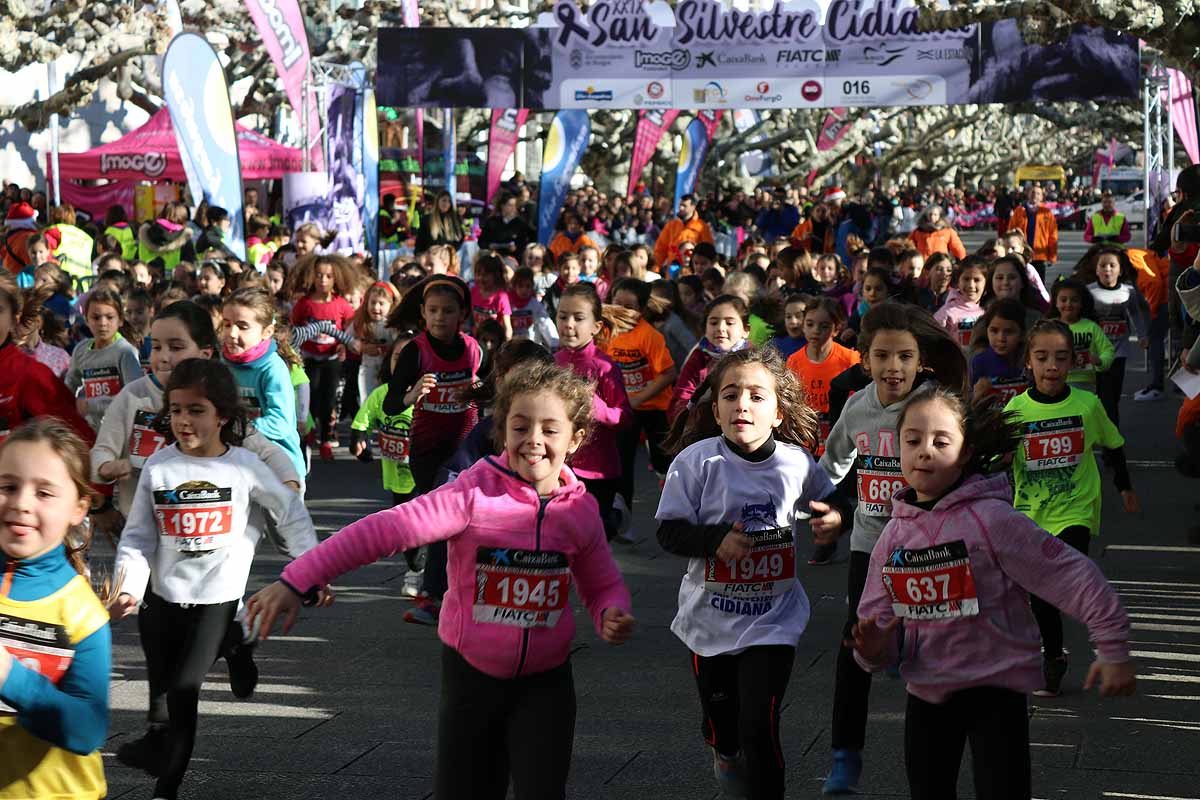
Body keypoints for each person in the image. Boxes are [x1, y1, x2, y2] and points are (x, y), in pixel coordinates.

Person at [245, 361, 635, 800]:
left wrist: (610, 610)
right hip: (473, 680)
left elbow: (602, 580)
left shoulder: (578, 510)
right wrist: (297, 579)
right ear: (501, 429)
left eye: (550, 429)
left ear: (576, 438)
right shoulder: (471, 495)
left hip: (547, 683)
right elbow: (383, 530)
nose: (534, 441)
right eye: (520, 426)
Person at [850, 389, 1135, 800]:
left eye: (941, 442)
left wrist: (1113, 647)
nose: (924, 452)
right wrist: (875, 649)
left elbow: (1071, 574)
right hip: (928, 693)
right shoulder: (894, 535)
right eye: (912, 440)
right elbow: (876, 624)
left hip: (995, 691)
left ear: (966, 453)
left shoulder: (992, 519)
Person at [110, 358, 327, 800]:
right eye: (175, 410)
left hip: (217, 599)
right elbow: (137, 535)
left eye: (196, 410)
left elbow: (288, 511)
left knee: (184, 691)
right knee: (163, 696)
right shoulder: (159, 467)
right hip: (162, 599)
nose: (183, 421)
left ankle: (165, 790)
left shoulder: (244, 466)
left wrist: (311, 569)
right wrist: (129, 586)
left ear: (222, 416)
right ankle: (237, 643)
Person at [657, 347, 847, 800]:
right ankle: (724, 753)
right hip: (710, 620)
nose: (742, 403)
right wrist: (713, 540)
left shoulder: (796, 463)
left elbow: (834, 500)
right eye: (730, 395)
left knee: (759, 726)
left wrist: (835, 519)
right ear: (716, 410)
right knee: (724, 727)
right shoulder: (698, 462)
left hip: (773, 620)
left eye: (756, 396)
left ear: (778, 413)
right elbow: (667, 532)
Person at [816, 303, 967, 794]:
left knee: (938, 651)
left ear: (921, 360)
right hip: (868, 540)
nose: (893, 367)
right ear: (864, 360)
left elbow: (961, 462)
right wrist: (811, 505)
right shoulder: (857, 406)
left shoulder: (933, 404)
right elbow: (832, 466)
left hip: (927, 540)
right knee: (852, 641)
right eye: (882, 355)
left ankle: (937, 765)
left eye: (904, 356)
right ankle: (844, 755)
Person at [1003, 319, 1138, 696]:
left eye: (1060, 358)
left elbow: (1113, 444)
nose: (1051, 366)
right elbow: (994, 460)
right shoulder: (1015, 411)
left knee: (1055, 583)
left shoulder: (1087, 404)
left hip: (1075, 511)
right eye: (1042, 357)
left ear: (1072, 362)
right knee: (1040, 595)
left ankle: (1096, 638)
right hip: (1029, 516)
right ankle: (1053, 655)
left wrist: (1124, 485)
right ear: (1028, 361)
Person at [0, 419, 113, 800]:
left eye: (44, 492)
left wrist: (9, 678)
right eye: (8, 487)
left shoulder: (83, 614)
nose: (20, 503)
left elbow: (87, 731)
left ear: (79, 508)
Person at [554, 283, 632, 540]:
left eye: (578, 318)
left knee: (592, 537)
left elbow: (624, 418)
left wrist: (597, 408)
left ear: (596, 327)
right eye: (563, 316)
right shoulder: (555, 362)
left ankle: (614, 519)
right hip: (562, 464)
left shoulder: (604, 367)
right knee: (564, 532)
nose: (569, 324)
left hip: (599, 469)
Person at [604, 278, 678, 503]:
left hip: (654, 407)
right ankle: (623, 516)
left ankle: (675, 506)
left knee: (663, 462)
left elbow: (668, 373)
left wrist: (637, 399)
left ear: (642, 309)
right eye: (617, 303)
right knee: (622, 461)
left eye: (629, 307)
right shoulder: (606, 331)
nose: (621, 310)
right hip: (624, 408)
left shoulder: (649, 336)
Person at [221, 289, 307, 480]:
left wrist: (235, 428)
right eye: (227, 324)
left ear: (266, 332)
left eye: (242, 326)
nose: (232, 333)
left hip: (280, 471)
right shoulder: (221, 362)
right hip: (240, 469)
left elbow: (280, 423)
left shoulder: (272, 368)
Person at [288, 255, 358, 462]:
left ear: (337, 279)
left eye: (328, 276)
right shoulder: (305, 303)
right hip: (309, 357)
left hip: (332, 358)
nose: (323, 280)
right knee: (311, 397)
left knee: (329, 399)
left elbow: (350, 328)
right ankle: (308, 431)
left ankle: (326, 439)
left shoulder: (342, 304)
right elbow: (294, 328)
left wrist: (343, 344)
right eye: (319, 275)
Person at [1078, 245, 1150, 427]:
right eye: (1103, 266)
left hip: (1119, 352)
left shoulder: (1128, 291)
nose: (1107, 270)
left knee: (1114, 395)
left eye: (1112, 265)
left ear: (1120, 270)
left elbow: (1135, 314)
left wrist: (1142, 335)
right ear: (1096, 270)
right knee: (1103, 395)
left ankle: (1108, 427)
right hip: (1097, 353)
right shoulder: (1089, 291)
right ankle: (1109, 431)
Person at [64, 288, 142, 431]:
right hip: (89, 430)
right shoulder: (81, 350)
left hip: (119, 433)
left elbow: (135, 397)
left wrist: (91, 405)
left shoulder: (125, 352)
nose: (103, 323)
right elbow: (69, 386)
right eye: (96, 317)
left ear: (121, 320)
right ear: (86, 320)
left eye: (110, 317)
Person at [668, 294, 752, 423]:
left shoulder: (754, 360)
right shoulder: (698, 357)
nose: (720, 328)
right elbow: (681, 399)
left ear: (746, 330)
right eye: (713, 323)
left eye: (729, 323)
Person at [1046, 278, 1114, 395]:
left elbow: (1108, 350)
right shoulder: (1048, 327)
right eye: (1063, 300)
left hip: (1085, 383)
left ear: (1081, 303)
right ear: (1056, 303)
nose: (1068, 304)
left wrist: (1100, 361)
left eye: (1074, 300)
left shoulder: (1091, 327)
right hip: (1055, 381)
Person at [968, 298, 1029, 403]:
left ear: (1022, 334)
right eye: (994, 331)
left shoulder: (1030, 361)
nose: (1001, 338)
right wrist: (977, 394)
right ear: (986, 330)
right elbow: (969, 405)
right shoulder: (979, 362)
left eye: (1009, 332)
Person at [1004, 185, 1058, 281]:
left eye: (1038, 193)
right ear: (1028, 194)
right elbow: (1010, 232)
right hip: (1021, 254)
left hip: (1039, 255)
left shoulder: (1047, 213)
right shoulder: (1019, 211)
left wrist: (1052, 256)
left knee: (1038, 283)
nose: (1035, 195)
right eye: (1032, 192)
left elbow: (1052, 236)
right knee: (1021, 282)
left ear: (1042, 197)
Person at [933, 257, 988, 350]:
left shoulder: (988, 310)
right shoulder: (947, 312)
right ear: (958, 281)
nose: (971, 285)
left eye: (977, 280)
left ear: (986, 283)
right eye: (966, 279)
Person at [655, 194, 715, 272]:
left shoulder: (701, 227)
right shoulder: (671, 225)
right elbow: (660, 249)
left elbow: (708, 252)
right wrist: (655, 268)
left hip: (692, 272)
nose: (680, 208)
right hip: (672, 271)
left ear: (693, 207)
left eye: (684, 206)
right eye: (680, 205)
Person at [508, 267, 557, 349]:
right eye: (520, 286)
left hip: (531, 346)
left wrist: (554, 343)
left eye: (528, 286)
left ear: (532, 286)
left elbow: (545, 323)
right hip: (512, 345)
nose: (524, 290)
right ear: (514, 286)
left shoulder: (534, 304)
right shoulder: (508, 303)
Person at [469, 252, 513, 340]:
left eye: (485, 275)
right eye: (478, 274)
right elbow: (470, 315)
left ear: (495, 275)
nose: (481, 278)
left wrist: (506, 345)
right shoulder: (474, 291)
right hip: (476, 338)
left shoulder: (501, 297)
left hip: (494, 341)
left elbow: (507, 327)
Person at [478, 192, 533, 257]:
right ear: (502, 206)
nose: (513, 208)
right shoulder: (492, 222)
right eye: (510, 205)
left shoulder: (520, 224)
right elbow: (481, 242)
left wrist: (515, 249)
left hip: (511, 257)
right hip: (492, 255)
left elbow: (523, 245)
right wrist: (489, 245)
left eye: (515, 205)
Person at [771, 294, 808, 359]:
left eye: (798, 316)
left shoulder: (819, 345)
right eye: (788, 317)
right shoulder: (775, 346)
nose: (793, 321)